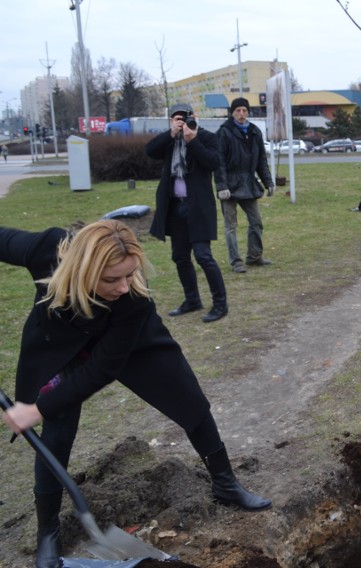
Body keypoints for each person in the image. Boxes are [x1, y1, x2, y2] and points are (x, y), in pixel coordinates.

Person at [0, 220, 271, 568]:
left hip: (129, 342)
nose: (124, 286)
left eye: (129, 274)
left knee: (190, 401)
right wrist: (43, 409)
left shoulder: (132, 302)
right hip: (62, 347)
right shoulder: (48, 249)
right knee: (57, 430)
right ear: (82, 269)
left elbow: (102, 369)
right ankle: (48, 533)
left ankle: (225, 483)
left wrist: (36, 409)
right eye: (112, 279)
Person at [147, 103, 229, 323]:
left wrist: (192, 141)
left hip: (199, 206)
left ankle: (220, 304)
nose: (181, 121)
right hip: (175, 206)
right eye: (176, 118)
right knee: (180, 256)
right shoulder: (169, 140)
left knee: (203, 256)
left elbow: (213, 162)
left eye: (184, 117)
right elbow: (150, 151)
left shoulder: (207, 137)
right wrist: (171, 133)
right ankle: (192, 300)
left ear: (194, 117)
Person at [216, 97, 275, 273]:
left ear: (248, 112)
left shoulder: (255, 132)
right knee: (230, 226)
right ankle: (236, 262)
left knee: (256, 222)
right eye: (237, 111)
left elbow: (261, 162)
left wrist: (268, 182)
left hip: (249, 183)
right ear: (232, 113)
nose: (241, 114)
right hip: (229, 186)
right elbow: (218, 162)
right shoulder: (224, 133)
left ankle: (254, 256)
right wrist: (222, 187)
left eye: (244, 110)